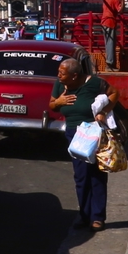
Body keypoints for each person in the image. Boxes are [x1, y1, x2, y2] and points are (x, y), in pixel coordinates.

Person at [50, 57, 110, 231]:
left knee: (96, 174)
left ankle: (97, 217)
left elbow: (114, 93)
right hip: (74, 134)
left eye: (62, 73)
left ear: (74, 76)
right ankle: (84, 215)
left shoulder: (95, 84)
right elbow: (52, 105)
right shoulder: (60, 85)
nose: (58, 76)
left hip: (93, 132)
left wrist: (103, 112)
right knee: (81, 175)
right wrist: (59, 102)